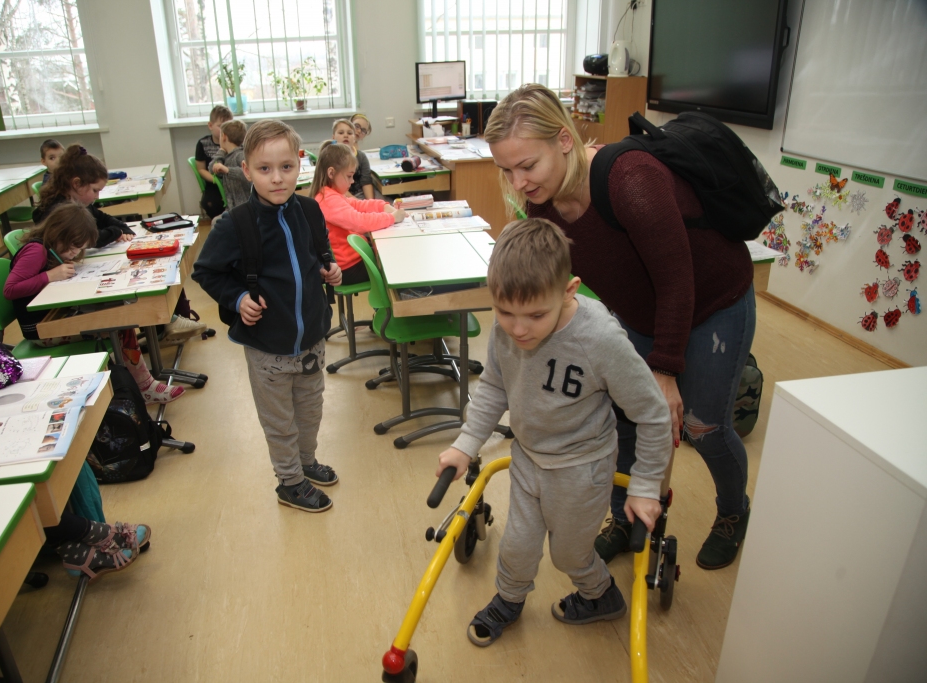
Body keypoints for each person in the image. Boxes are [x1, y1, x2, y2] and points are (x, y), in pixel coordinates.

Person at [484, 84, 757, 570]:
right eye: (507, 170)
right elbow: (553, 285)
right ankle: (622, 516)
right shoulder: (542, 202)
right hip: (642, 313)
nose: (518, 182)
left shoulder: (629, 179)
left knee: (703, 425)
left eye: (528, 165)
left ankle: (734, 510)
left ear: (564, 140)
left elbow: (677, 282)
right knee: (625, 423)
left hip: (713, 303)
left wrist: (666, 373)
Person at [436, 218, 671, 647]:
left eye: (535, 315)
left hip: (582, 468)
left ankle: (600, 595)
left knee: (570, 555)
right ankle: (509, 599)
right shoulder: (508, 324)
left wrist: (645, 486)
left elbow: (653, 414)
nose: (518, 328)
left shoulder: (599, 339)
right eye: (505, 312)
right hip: (528, 456)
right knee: (517, 546)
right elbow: (493, 386)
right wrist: (465, 444)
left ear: (569, 290)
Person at [193, 120, 343, 513]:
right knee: (280, 420)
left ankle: (305, 462)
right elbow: (205, 271)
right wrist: (238, 295)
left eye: (286, 167)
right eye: (264, 169)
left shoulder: (310, 210)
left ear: (299, 163)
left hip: (311, 336)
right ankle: (289, 482)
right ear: (246, 170)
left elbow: (321, 252)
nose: (277, 178)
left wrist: (331, 268)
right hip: (266, 347)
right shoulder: (234, 225)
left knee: (310, 410)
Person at [5, 203, 184, 405]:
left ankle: (137, 381)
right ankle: (144, 387)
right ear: (59, 234)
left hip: (54, 313)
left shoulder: (51, 248)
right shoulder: (36, 251)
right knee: (119, 324)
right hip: (40, 329)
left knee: (117, 312)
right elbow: (10, 289)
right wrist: (49, 276)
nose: (75, 253)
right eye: (74, 247)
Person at [34, 144, 208, 344]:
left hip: (78, 265)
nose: (97, 197)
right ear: (76, 184)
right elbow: (92, 239)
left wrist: (120, 228)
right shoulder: (60, 208)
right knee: (133, 275)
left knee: (158, 261)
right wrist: (115, 232)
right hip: (65, 278)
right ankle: (164, 322)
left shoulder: (79, 202)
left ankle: (168, 321)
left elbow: (102, 217)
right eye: (94, 190)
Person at [310, 143, 405, 286]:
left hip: (353, 261)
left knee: (393, 254)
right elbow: (359, 222)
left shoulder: (331, 195)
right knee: (397, 263)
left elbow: (358, 204)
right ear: (331, 173)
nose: (352, 181)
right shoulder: (327, 200)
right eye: (349, 176)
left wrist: (383, 206)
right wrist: (392, 218)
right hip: (347, 268)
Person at [195, 105, 234, 218]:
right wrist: (215, 180)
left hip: (232, 181)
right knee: (211, 203)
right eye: (221, 126)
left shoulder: (235, 142)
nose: (225, 131)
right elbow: (201, 169)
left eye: (229, 126)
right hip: (214, 185)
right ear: (210, 126)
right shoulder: (203, 143)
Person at [209, 119, 250, 210]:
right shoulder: (226, 156)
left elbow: (249, 174)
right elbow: (212, 168)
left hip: (245, 208)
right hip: (232, 208)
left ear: (223, 137)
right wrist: (221, 152)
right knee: (216, 222)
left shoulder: (241, 155)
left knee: (217, 222)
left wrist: (227, 170)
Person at [330, 118, 374, 199]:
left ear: (354, 138)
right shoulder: (331, 157)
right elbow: (336, 186)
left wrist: (371, 203)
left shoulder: (361, 156)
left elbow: (366, 182)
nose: (346, 135)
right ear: (333, 137)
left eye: (350, 133)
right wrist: (358, 203)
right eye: (341, 133)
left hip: (360, 195)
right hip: (340, 196)